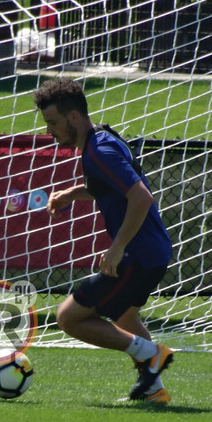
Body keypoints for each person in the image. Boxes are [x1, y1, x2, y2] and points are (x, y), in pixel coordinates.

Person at [34, 78, 174, 403]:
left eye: (52, 122)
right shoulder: (103, 138)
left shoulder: (100, 152)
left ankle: (151, 354)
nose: (48, 131)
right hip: (153, 252)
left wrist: (117, 247)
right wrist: (73, 193)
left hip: (138, 254)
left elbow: (141, 197)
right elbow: (112, 186)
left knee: (68, 318)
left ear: (73, 117)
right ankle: (152, 390)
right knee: (124, 316)